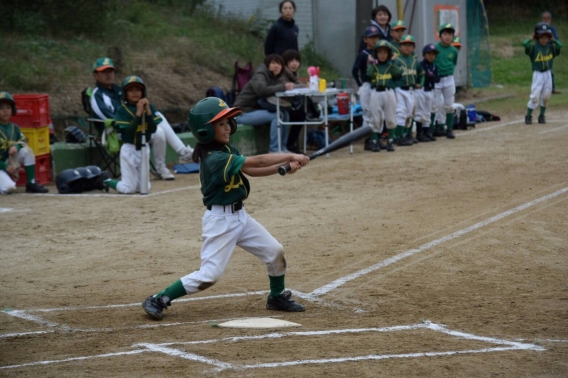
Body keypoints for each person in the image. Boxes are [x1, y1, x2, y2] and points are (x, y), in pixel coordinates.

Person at [141, 97, 309, 320]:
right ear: (204, 131)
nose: (228, 127)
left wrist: (284, 168)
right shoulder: (215, 158)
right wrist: (290, 155)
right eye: (220, 124)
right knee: (209, 275)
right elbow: (257, 162)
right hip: (220, 221)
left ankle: (277, 296)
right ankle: (159, 298)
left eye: (228, 122)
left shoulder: (225, 149)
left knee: (275, 251)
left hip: (240, 217)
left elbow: (251, 171)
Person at [90, 57, 194, 180]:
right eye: (104, 72)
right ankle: (183, 152)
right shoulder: (97, 94)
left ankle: (162, 168)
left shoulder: (119, 90)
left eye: (110, 71)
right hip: (115, 132)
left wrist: (142, 116)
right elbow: (106, 117)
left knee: (159, 128)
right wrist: (133, 120)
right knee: (156, 121)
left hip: (136, 128)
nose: (108, 75)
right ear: (95, 75)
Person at [103, 76, 158, 194]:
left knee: (144, 188)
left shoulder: (150, 107)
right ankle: (104, 180)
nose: (134, 92)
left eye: (138, 90)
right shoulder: (122, 110)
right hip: (129, 150)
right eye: (130, 90)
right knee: (128, 189)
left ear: (143, 92)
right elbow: (129, 132)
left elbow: (153, 129)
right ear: (125, 93)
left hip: (145, 149)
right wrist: (138, 114)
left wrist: (148, 111)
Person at [234, 54, 294, 153]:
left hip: (255, 110)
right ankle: (274, 150)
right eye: (273, 63)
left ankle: (282, 148)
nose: (276, 66)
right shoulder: (260, 75)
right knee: (277, 115)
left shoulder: (273, 77)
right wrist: (283, 87)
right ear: (267, 64)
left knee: (285, 114)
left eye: (279, 64)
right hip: (242, 113)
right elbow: (262, 90)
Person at [0, 92, 49, 194]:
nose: (5, 111)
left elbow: (22, 140)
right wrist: (4, 167)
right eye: (1, 108)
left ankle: (31, 183)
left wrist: (16, 147)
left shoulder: (14, 127)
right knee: (10, 188)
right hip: (2, 165)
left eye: (8, 107)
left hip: (7, 161)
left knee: (27, 151)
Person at [281, 49, 319, 153]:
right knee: (299, 115)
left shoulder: (293, 74)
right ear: (285, 61)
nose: (294, 64)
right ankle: (289, 145)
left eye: (297, 61)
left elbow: (298, 85)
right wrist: (304, 85)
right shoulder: (282, 73)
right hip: (278, 105)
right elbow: (290, 87)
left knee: (301, 115)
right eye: (291, 61)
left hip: (287, 105)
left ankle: (290, 144)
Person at [523, 22, 562, 125]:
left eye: (546, 37)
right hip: (538, 74)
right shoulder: (533, 48)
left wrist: (553, 40)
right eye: (541, 37)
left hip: (548, 74)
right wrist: (532, 38)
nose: (544, 40)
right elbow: (524, 44)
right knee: (535, 97)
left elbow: (560, 45)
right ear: (537, 37)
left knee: (546, 97)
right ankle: (528, 115)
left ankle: (541, 116)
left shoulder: (551, 48)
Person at [366, 40, 401, 152]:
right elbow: (369, 74)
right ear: (375, 54)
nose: (382, 55)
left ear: (389, 54)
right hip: (376, 92)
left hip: (389, 92)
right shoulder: (374, 65)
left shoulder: (391, 65)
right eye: (379, 52)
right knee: (375, 117)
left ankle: (390, 141)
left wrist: (393, 62)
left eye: (385, 52)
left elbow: (398, 73)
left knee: (391, 117)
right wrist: (371, 63)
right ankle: (375, 141)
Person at [393, 35, 423, 146]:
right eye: (404, 44)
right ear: (400, 46)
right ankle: (398, 137)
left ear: (414, 47)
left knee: (410, 114)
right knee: (401, 112)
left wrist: (421, 83)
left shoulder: (415, 61)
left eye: (410, 45)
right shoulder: (396, 60)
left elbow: (421, 74)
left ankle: (405, 135)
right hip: (399, 89)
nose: (407, 47)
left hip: (412, 90)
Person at [353, 26, 381, 141]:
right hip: (367, 85)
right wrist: (360, 85)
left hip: (378, 86)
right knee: (367, 113)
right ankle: (367, 139)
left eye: (376, 37)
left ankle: (376, 138)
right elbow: (355, 70)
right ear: (365, 40)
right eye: (371, 37)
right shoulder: (363, 53)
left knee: (378, 112)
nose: (374, 40)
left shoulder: (380, 53)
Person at [432, 24, 459, 139]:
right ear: (440, 35)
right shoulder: (435, 48)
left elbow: (454, 62)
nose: (448, 37)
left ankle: (449, 128)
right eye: (445, 34)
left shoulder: (453, 50)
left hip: (449, 78)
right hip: (437, 79)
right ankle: (433, 127)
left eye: (450, 34)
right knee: (435, 104)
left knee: (449, 104)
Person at [414, 44, 440, 142]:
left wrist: (431, 76)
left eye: (433, 54)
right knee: (420, 111)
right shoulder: (421, 65)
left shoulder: (434, 66)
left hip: (430, 90)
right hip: (421, 90)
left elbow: (437, 78)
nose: (431, 56)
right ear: (424, 54)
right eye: (429, 53)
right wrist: (431, 76)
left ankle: (427, 132)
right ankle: (419, 133)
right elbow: (424, 76)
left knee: (427, 112)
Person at [541, 11, 560, 94]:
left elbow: (556, 39)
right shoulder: (539, 28)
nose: (546, 20)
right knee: (541, 71)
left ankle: (552, 88)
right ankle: (541, 88)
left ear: (550, 20)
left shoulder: (552, 29)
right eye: (544, 19)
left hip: (549, 51)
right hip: (540, 52)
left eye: (548, 19)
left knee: (550, 70)